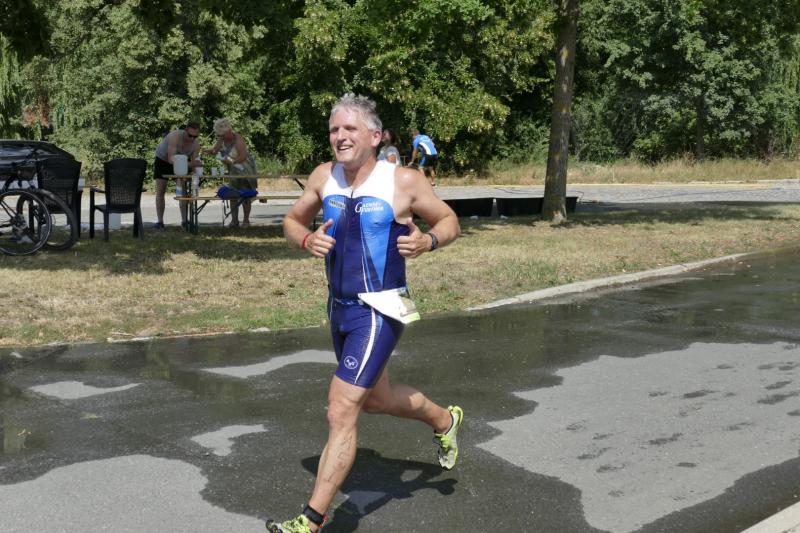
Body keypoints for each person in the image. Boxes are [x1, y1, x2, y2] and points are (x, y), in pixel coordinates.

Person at [270, 94, 463, 533]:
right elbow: (292, 221)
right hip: (339, 308)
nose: (339, 137)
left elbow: (449, 220)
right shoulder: (324, 176)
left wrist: (428, 241)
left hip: (381, 308)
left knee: (341, 408)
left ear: (375, 137)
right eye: (334, 130)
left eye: (349, 129)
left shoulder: (405, 180)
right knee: (377, 400)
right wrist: (306, 239)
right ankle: (444, 419)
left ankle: (311, 520)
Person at [203, 118, 257, 228]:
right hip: (233, 170)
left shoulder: (238, 139)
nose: (221, 136)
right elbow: (215, 150)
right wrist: (207, 151)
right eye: (220, 134)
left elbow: (243, 156)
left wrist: (231, 161)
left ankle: (246, 221)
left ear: (229, 130)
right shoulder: (222, 139)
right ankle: (234, 221)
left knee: (246, 195)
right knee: (233, 194)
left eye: (223, 134)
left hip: (246, 169)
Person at [152, 121, 202, 229]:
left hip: (182, 163)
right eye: (190, 135)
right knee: (161, 190)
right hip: (163, 160)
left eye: (195, 136)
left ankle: (184, 221)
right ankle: (160, 222)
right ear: (185, 131)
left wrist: (197, 177)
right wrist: (190, 164)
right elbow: (171, 158)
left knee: (183, 191)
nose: (192, 138)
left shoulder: (196, 145)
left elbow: (194, 164)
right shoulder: (175, 136)